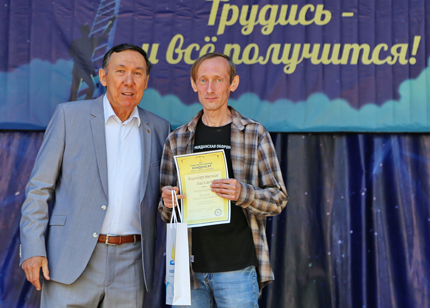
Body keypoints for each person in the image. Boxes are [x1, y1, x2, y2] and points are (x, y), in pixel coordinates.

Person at [20, 44, 171, 308]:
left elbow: (162, 197)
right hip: (71, 257)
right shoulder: (69, 117)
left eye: (137, 73)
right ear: (103, 76)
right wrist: (33, 247)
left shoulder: (159, 128)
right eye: (120, 71)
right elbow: (39, 189)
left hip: (131, 265)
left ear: (146, 81)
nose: (128, 81)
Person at [159, 53, 288, 307]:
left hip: (237, 269)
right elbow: (165, 212)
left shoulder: (254, 134)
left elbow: (278, 199)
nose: (210, 88)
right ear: (194, 84)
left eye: (218, 80)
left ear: (233, 83)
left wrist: (242, 193)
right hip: (188, 270)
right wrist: (169, 202)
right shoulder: (177, 139)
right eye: (203, 80)